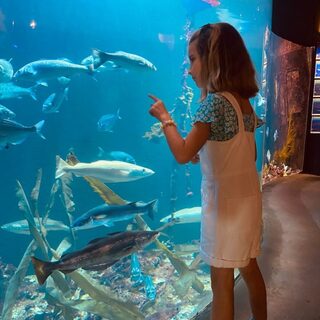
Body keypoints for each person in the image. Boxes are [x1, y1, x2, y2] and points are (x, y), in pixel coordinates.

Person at [148, 22, 267, 320]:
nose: (189, 70)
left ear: (213, 60)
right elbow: (244, 153)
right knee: (250, 269)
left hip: (225, 208)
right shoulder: (244, 104)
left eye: (193, 59)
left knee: (221, 283)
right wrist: (207, 157)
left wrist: (165, 118)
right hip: (248, 203)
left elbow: (182, 152)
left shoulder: (212, 105)